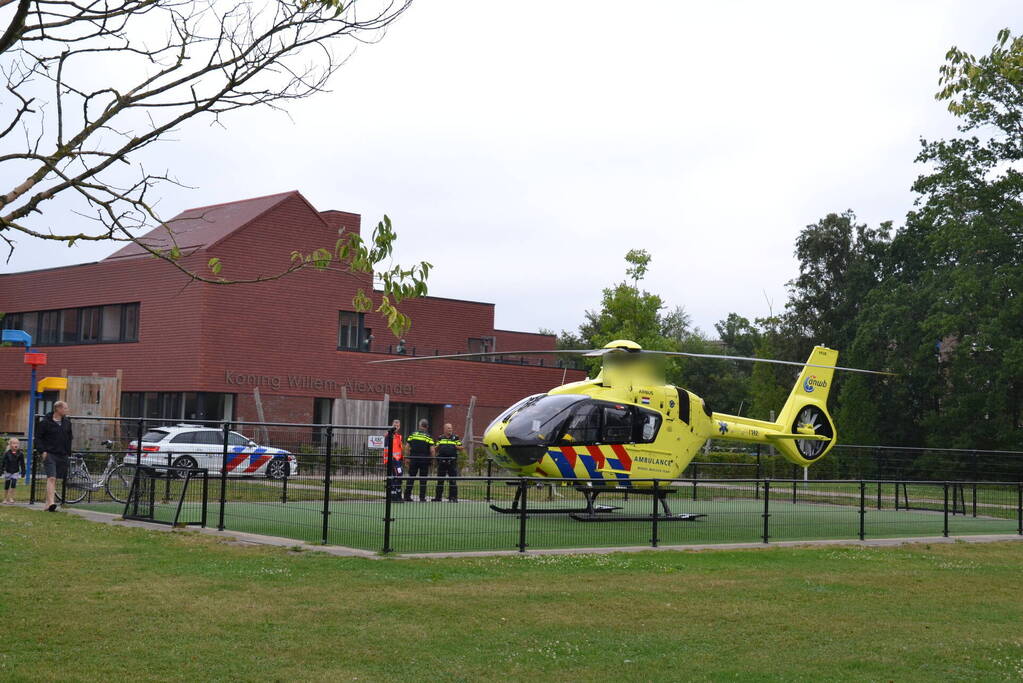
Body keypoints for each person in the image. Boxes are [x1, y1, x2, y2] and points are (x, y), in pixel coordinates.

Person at [36, 400, 73, 512]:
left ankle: (47, 504)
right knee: (51, 477)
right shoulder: (45, 423)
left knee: (55, 479)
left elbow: (69, 438)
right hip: (49, 453)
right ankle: (52, 502)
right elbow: (38, 438)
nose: (67, 410)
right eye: (65, 408)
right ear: (58, 409)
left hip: (62, 454)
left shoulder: (67, 422)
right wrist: (42, 451)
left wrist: (68, 452)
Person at [404, 419, 435, 502]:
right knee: (423, 479)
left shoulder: (413, 435)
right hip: (424, 460)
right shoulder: (428, 437)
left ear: (419, 426)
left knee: (411, 478)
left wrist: (407, 458)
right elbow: (432, 450)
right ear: (427, 427)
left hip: (413, 459)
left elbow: (407, 447)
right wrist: (432, 460)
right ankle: (422, 498)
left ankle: (407, 496)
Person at [432, 423, 463, 503]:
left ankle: (453, 498)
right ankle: (438, 498)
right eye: (449, 428)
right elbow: (436, 448)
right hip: (442, 462)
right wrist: (435, 447)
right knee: (440, 480)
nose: (450, 429)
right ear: (445, 429)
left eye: (451, 428)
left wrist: (456, 447)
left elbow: (461, 447)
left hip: (452, 462)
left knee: (453, 480)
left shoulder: (455, 438)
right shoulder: (440, 437)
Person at [384, 419, 404, 503]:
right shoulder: (389, 435)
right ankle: (393, 496)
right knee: (395, 477)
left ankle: (398, 495)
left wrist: (402, 458)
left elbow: (399, 449)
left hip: (399, 460)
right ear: (392, 425)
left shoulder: (399, 436)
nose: (396, 427)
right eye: (395, 425)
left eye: (398, 425)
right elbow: (386, 448)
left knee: (399, 476)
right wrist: (388, 459)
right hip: (392, 460)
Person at [2, 437, 26, 504]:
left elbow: (22, 463)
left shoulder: (20, 454)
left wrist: (23, 472)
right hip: (8, 471)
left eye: (17, 443)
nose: (16, 445)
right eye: (14, 443)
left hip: (15, 471)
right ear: (10, 445)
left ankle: (11, 498)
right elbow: (3, 462)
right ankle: (5, 498)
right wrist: (1, 470)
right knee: (7, 485)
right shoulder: (7, 453)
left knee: (13, 483)